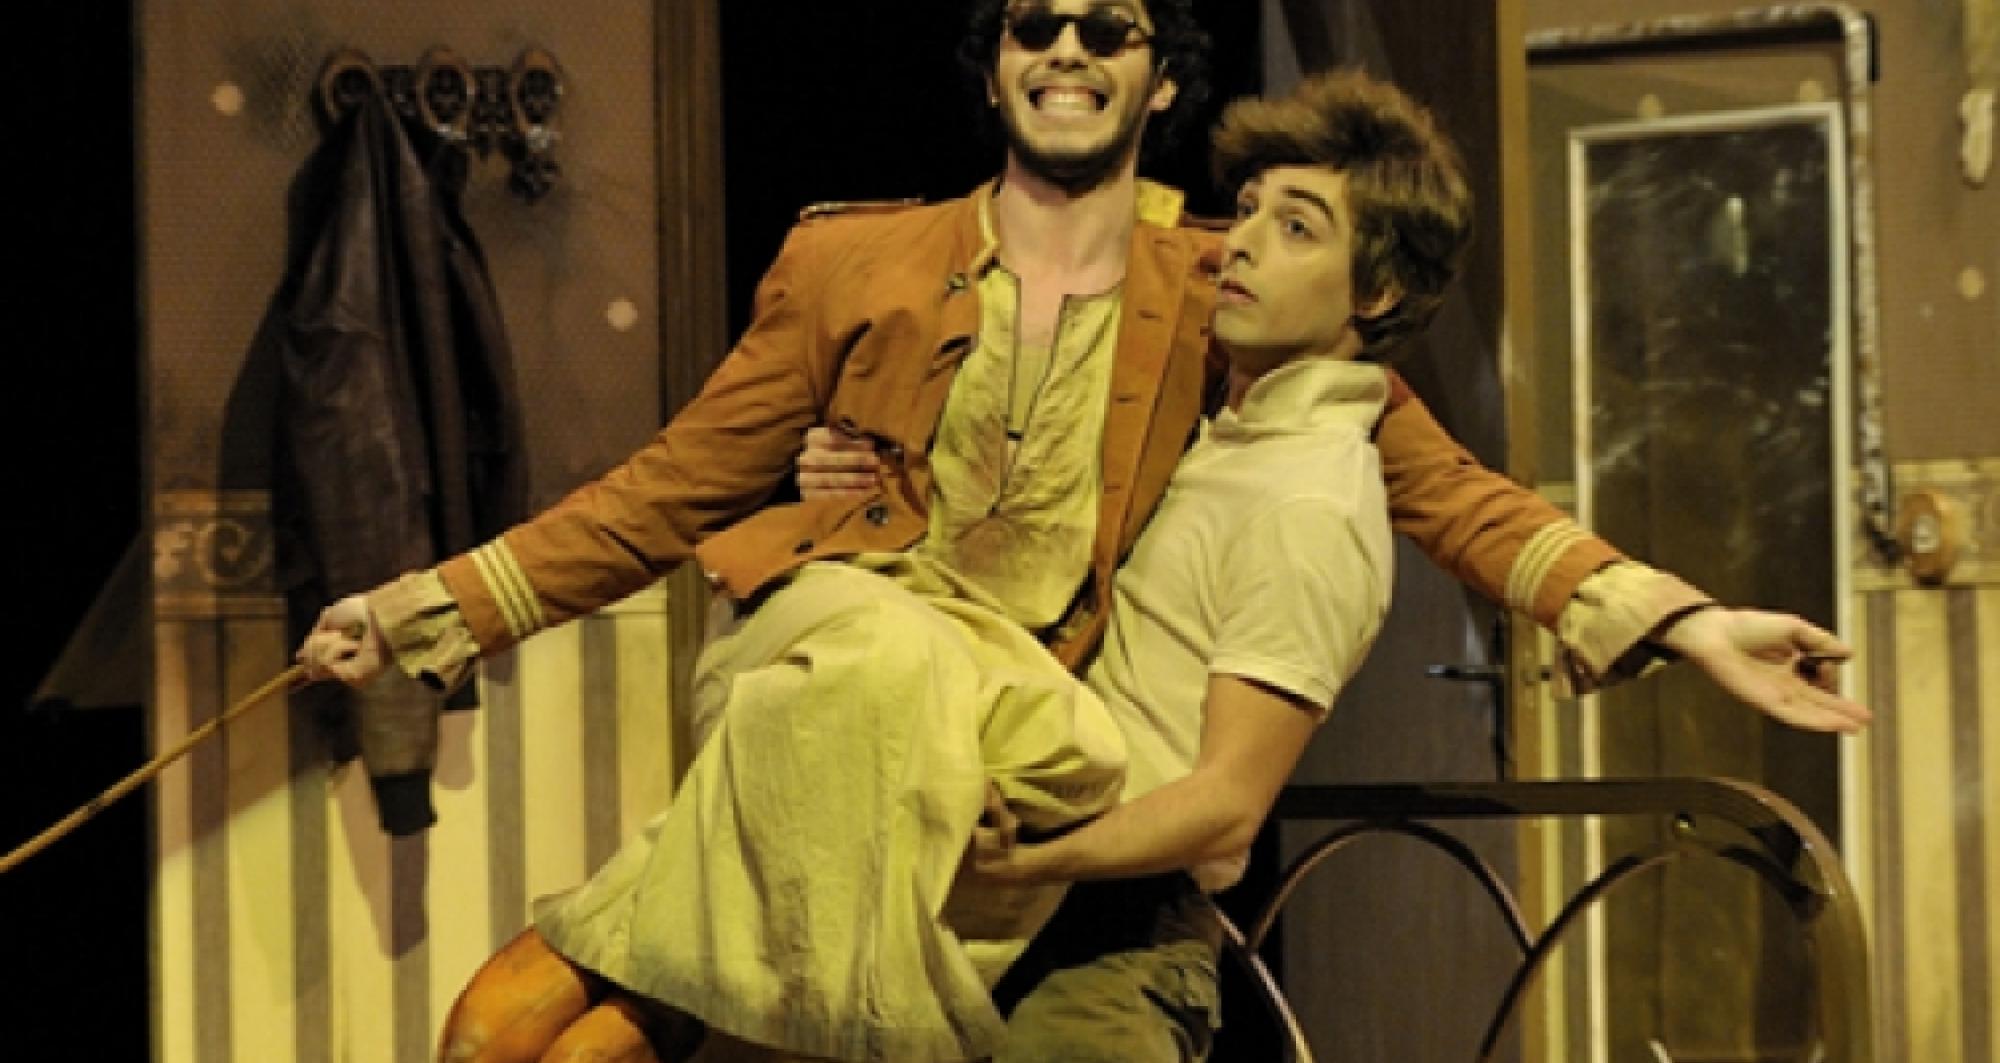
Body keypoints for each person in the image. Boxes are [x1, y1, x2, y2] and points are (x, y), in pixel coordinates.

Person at [298, 2, 1866, 1060]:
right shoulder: (853, 266)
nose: (1066, 51)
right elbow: (670, 487)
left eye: (1106, 27)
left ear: (1160, 78)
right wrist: (420, 612)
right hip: (839, 732)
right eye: (1034, 25)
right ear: (994, 66)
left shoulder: (1224, 286)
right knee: (493, 1033)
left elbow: (1442, 483)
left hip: (1032, 806)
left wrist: (1677, 618)